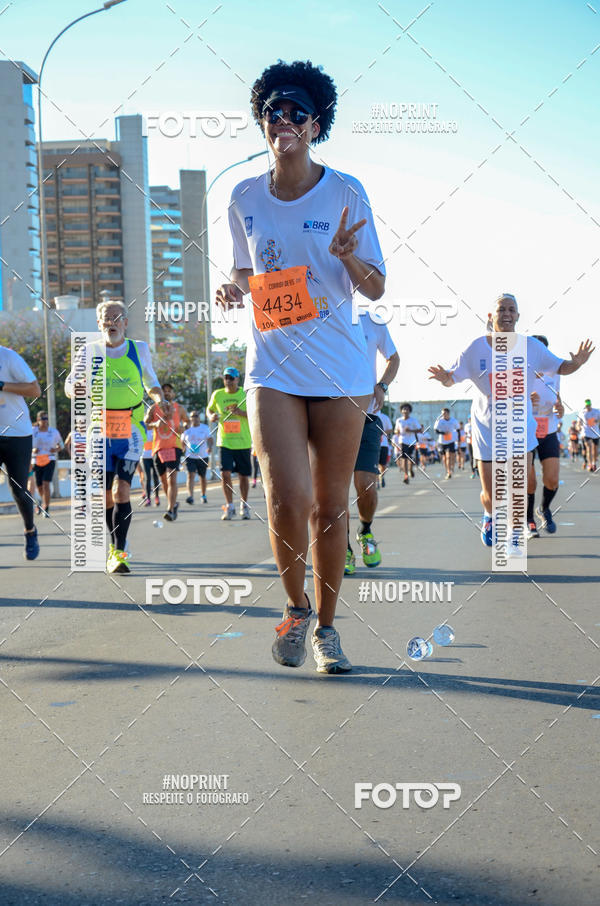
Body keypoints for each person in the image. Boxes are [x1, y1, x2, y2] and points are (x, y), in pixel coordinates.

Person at [217, 60, 385, 673]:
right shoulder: (242, 196)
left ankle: (328, 629)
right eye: (273, 111)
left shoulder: (346, 191)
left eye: (295, 112)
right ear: (263, 122)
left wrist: (349, 257)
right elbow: (244, 268)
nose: (282, 120)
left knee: (329, 505)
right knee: (286, 498)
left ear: (316, 124)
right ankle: (295, 607)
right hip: (273, 365)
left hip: (340, 368)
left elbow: (376, 288)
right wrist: (238, 289)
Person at [428, 292, 594, 548]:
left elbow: (561, 367)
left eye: (511, 310)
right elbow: (453, 377)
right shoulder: (476, 348)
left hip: (520, 426)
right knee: (492, 495)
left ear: (517, 316)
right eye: (501, 309)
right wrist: (444, 378)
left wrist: (577, 363)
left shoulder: (531, 347)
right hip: (487, 426)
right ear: (491, 316)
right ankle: (490, 515)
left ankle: (516, 530)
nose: (506, 314)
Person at [65, 300, 165, 573]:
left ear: (125, 322)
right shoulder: (89, 351)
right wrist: (76, 389)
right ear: (99, 324)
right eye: (106, 319)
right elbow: (69, 385)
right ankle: (114, 546)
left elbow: (151, 382)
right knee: (105, 496)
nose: (111, 323)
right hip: (99, 430)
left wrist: (159, 399)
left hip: (131, 429)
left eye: (116, 317)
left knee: (121, 489)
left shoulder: (138, 349)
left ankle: (119, 552)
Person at [345, 310, 398, 575]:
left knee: (366, 486)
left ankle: (365, 531)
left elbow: (394, 358)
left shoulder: (373, 321)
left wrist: (383, 386)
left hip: (368, 417)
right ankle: (341, 547)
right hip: (329, 417)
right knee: (333, 492)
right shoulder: (318, 312)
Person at [0, 345, 41, 559]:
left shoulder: (8, 357)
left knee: (18, 490)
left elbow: (35, 390)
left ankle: (30, 531)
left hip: (18, 433)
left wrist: (2, 385)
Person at [527, 336, 564, 537]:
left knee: (552, 480)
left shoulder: (555, 372)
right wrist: (524, 400)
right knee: (529, 482)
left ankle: (544, 508)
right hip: (526, 432)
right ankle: (528, 520)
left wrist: (560, 408)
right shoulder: (520, 372)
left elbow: (559, 402)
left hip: (548, 430)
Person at [207, 367, 252, 521]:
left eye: (231, 378)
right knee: (225, 474)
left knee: (243, 476)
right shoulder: (217, 395)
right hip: (225, 441)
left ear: (237, 380)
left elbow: (255, 412)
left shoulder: (245, 394)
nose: (228, 381)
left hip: (243, 441)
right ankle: (230, 506)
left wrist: (241, 413)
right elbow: (209, 409)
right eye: (226, 378)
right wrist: (211, 415)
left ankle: (244, 505)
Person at [146, 383, 189, 522]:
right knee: (163, 480)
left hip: (174, 446)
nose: (167, 394)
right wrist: (155, 424)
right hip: (158, 448)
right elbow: (145, 424)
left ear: (173, 394)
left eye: (170, 391)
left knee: (172, 478)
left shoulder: (179, 408)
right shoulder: (154, 408)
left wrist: (183, 427)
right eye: (164, 392)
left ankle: (170, 509)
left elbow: (187, 422)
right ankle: (174, 503)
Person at [31, 410, 63, 518]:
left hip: (50, 459)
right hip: (36, 460)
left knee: (46, 484)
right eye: (43, 419)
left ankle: (46, 507)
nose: (45, 421)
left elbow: (61, 445)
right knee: (39, 486)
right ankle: (43, 501)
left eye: (46, 419)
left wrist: (56, 449)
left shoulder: (53, 432)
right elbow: (26, 445)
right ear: (38, 420)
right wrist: (33, 450)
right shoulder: (33, 431)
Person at [182, 411, 212, 504]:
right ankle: (190, 496)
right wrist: (182, 450)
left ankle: (203, 495)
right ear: (190, 418)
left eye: (196, 416)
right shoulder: (187, 430)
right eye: (192, 416)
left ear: (199, 417)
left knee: (202, 477)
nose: (194, 418)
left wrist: (210, 447)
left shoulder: (205, 428)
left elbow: (210, 439)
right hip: (190, 456)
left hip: (202, 456)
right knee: (190, 475)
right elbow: (182, 442)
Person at [394, 403, 422, 484]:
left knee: (410, 458)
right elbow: (396, 430)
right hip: (402, 441)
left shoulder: (413, 420)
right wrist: (397, 431)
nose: (405, 411)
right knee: (404, 458)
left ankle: (410, 469)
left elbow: (420, 430)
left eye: (407, 409)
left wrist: (410, 430)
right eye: (404, 409)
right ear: (401, 411)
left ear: (410, 411)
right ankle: (406, 475)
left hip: (412, 442)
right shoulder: (399, 420)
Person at [434, 407, 460, 479]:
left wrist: (459, 440)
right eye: (442, 414)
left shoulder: (453, 421)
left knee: (450, 456)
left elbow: (458, 430)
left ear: (448, 413)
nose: (443, 415)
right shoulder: (439, 421)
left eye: (445, 413)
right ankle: (448, 471)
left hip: (451, 441)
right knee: (445, 458)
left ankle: (450, 468)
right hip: (442, 442)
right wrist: (443, 433)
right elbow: (435, 430)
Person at [140, 424, 160, 507]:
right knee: (147, 478)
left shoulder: (154, 431)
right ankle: (148, 499)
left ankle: (157, 497)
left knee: (155, 477)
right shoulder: (142, 431)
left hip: (154, 456)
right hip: (145, 457)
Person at [578, 399, 600, 472]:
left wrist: (597, 421)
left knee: (595, 449)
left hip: (595, 432)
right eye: (586, 405)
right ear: (585, 405)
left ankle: (594, 463)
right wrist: (578, 426)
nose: (588, 406)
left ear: (591, 404)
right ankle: (590, 464)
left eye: (589, 405)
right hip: (586, 432)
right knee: (588, 447)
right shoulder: (582, 413)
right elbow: (579, 422)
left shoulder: (596, 411)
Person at [378, 409, 393, 487]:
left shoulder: (384, 417)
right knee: (374, 464)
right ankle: (376, 481)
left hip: (383, 444)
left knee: (383, 464)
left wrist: (381, 432)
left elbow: (390, 429)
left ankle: (382, 477)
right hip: (372, 444)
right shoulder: (367, 415)